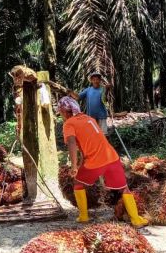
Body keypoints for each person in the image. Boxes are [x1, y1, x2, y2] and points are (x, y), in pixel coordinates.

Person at [57, 96, 148, 227]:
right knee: (124, 188)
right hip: (111, 157)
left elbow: (71, 143)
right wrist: (80, 164)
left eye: (60, 112)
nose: (61, 115)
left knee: (78, 183)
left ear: (65, 111)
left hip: (94, 161)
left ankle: (83, 216)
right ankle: (136, 219)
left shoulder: (69, 124)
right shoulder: (89, 118)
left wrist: (74, 166)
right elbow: (88, 144)